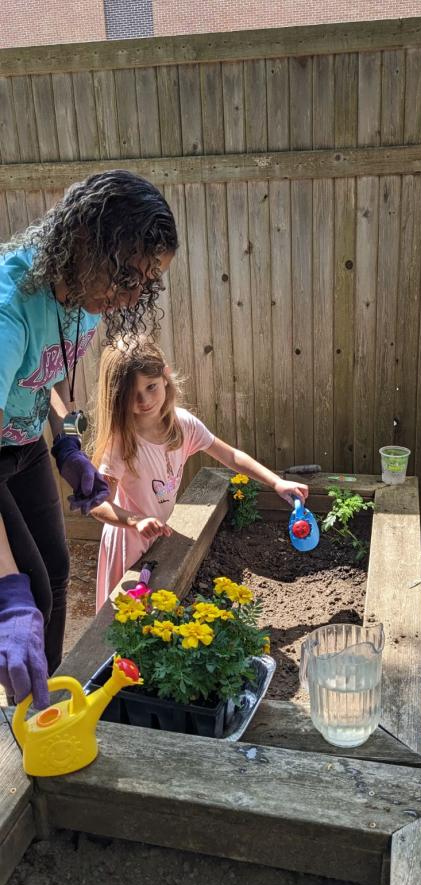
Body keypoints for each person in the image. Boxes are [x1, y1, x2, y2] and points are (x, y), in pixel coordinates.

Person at [0, 170, 178, 708]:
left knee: (53, 574)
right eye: (127, 275)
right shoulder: (9, 314)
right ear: (84, 241)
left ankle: (38, 702)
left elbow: (50, 373)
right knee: (22, 586)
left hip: (26, 442)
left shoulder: (81, 294)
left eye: (145, 282)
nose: (132, 294)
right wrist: (7, 594)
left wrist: (67, 443)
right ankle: (20, 717)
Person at [91, 340, 309, 609]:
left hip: (160, 535)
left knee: (156, 611)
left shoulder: (182, 424)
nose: (144, 400)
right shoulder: (122, 441)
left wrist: (276, 482)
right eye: (132, 394)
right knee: (125, 622)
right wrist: (135, 521)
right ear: (116, 395)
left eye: (151, 387)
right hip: (128, 543)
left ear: (165, 377)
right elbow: (98, 504)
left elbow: (231, 456)